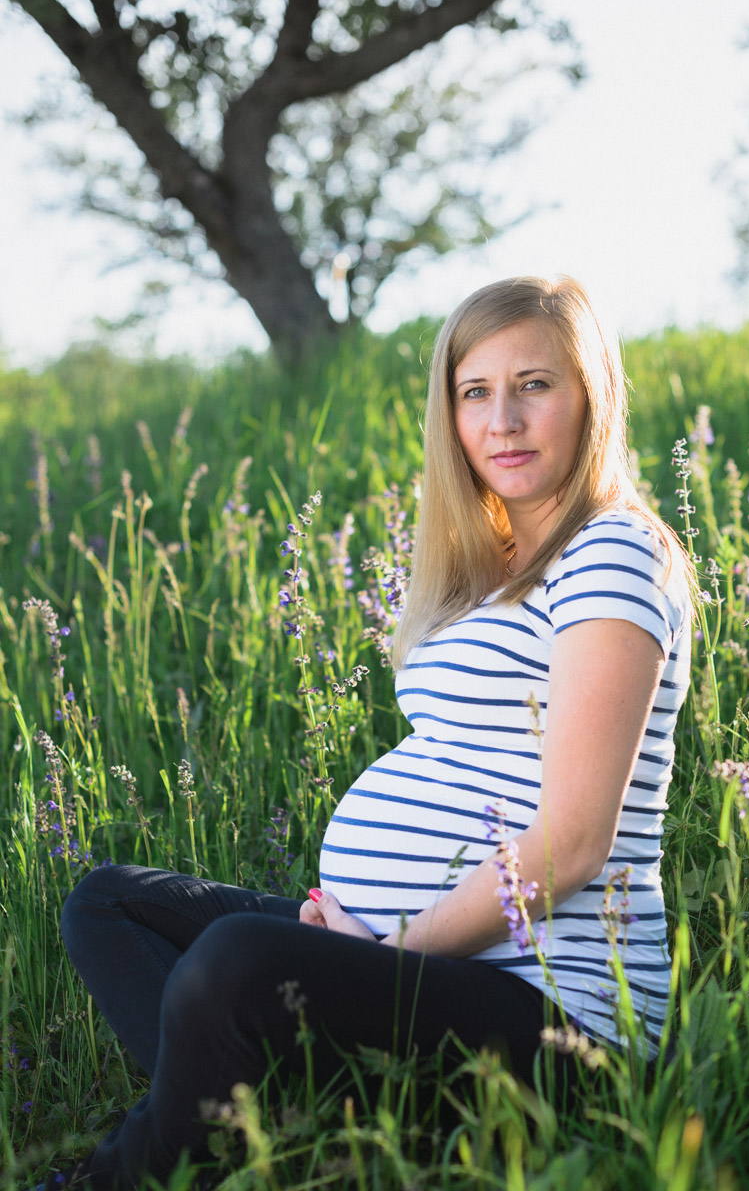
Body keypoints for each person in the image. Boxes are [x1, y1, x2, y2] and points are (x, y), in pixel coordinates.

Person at [49, 275, 694, 1190]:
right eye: (475, 392)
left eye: (534, 385)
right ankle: (283, 1124)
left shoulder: (612, 552)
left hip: (553, 1018)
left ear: (590, 397)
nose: (502, 420)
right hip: (415, 965)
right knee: (109, 906)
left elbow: (572, 846)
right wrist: (364, 938)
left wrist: (380, 953)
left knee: (235, 961)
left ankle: (129, 1172)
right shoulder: (495, 568)